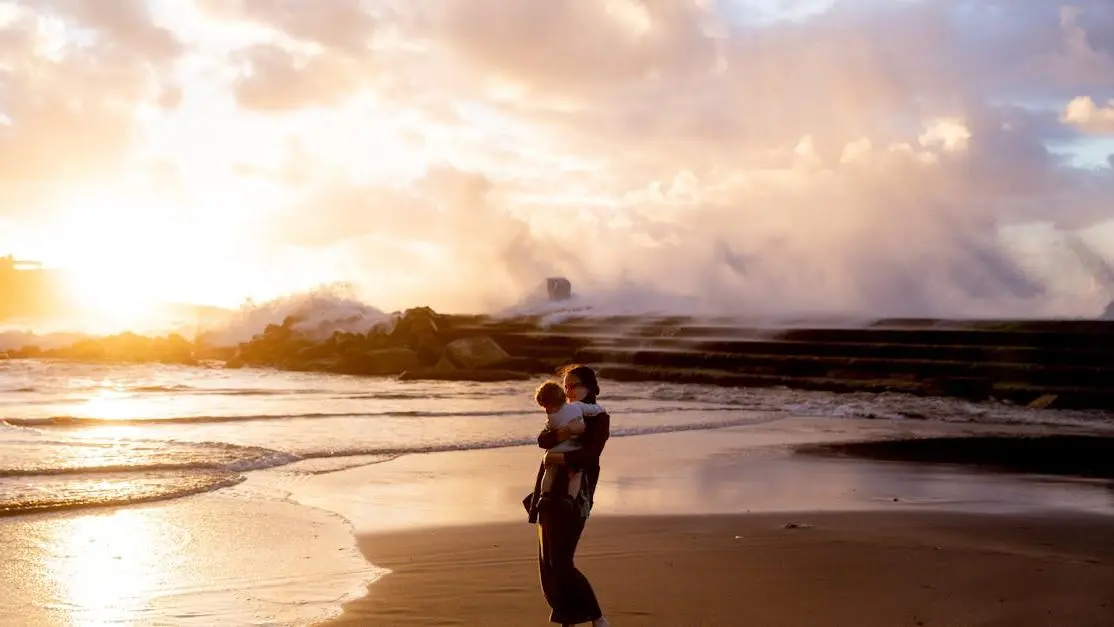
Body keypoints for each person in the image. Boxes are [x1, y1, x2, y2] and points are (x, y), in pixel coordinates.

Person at [523, 365, 611, 627]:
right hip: (547, 494)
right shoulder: (560, 411)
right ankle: (567, 618)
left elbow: (590, 454)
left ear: (589, 386)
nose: (568, 391)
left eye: (573, 385)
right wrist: (561, 435)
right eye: (565, 386)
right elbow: (542, 438)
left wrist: (557, 456)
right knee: (548, 565)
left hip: (575, 497)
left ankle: (597, 617)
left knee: (562, 562)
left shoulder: (598, 417)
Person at [533, 380, 605, 503]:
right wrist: (600, 409)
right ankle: (570, 498)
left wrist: (558, 434)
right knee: (576, 473)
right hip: (573, 447)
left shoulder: (551, 418)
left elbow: (544, 437)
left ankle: (544, 495)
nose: (547, 411)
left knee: (550, 470)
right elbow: (594, 409)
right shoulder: (576, 406)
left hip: (558, 449)